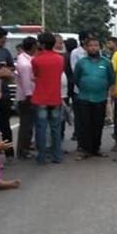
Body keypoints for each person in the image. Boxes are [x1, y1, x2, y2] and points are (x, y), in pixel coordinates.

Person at [73, 38, 115, 160]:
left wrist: (104, 90)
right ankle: (85, 149)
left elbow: (111, 79)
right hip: (84, 97)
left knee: (98, 124)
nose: (93, 48)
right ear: (86, 48)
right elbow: (76, 79)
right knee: (85, 124)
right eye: (90, 45)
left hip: (100, 98)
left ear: (99, 47)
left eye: (96, 45)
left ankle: (96, 148)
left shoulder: (106, 63)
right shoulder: (81, 63)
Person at [31, 33, 65, 165]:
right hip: (55, 97)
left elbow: (35, 74)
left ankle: (42, 156)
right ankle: (57, 155)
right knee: (55, 128)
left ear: (42, 44)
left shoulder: (36, 60)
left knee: (41, 128)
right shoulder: (60, 59)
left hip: (40, 97)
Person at [0, 28, 16, 159]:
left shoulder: (5, 52)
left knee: (5, 124)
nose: (3, 41)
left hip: (4, 92)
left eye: (5, 39)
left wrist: (5, 69)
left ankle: (9, 152)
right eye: (1, 39)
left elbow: (12, 68)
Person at [15, 37, 37, 160]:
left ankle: (25, 148)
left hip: (27, 96)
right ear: (33, 47)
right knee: (26, 125)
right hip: (26, 97)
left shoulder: (26, 59)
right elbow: (26, 83)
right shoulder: (25, 64)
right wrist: (29, 97)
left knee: (28, 125)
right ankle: (23, 150)